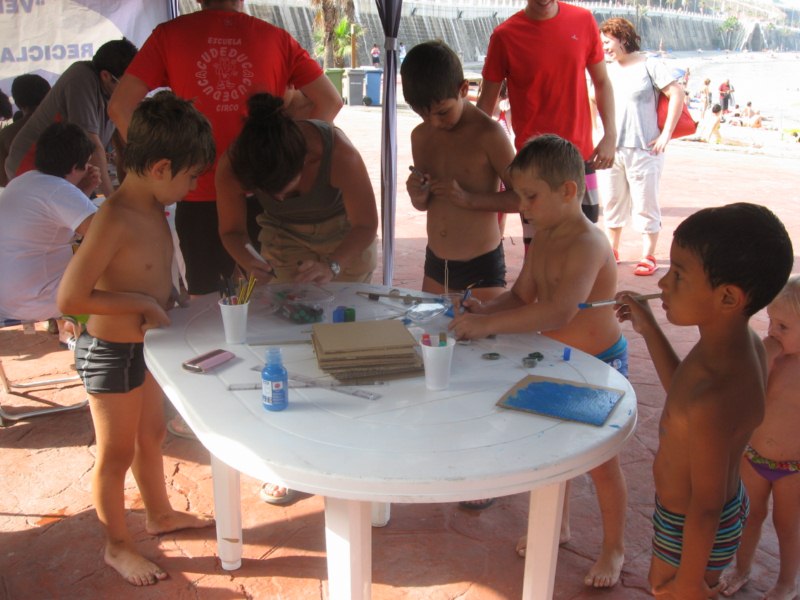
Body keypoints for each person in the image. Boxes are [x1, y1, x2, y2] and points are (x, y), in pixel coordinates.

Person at [449, 134, 629, 588]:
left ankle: (615, 548)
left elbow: (558, 311)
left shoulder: (587, 242)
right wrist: (484, 313)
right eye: (519, 196)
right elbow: (521, 295)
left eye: (530, 197)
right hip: (557, 358)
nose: (521, 207)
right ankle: (559, 526)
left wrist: (488, 328)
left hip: (597, 363)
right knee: (553, 448)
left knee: (601, 463)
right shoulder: (544, 234)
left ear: (569, 191)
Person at [56, 92, 217, 586]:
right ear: (162, 166)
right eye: (190, 177)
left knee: (152, 437)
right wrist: (144, 306)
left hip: (146, 350)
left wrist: (174, 296)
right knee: (116, 454)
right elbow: (70, 298)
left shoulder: (151, 207)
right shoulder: (115, 216)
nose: (192, 188)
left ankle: (160, 514)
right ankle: (116, 546)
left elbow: (149, 270)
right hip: (111, 354)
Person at [614, 203, 793, 599]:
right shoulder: (733, 345)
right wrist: (650, 330)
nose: (662, 284)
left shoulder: (716, 396)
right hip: (697, 515)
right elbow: (683, 387)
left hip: (693, 524)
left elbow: (707, 504)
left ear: (728, 297)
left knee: (666, 589)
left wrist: (691, 583)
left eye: (678, 275)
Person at [108, 0, 342, 297]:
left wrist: (164, 168)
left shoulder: (170, 34)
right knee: (274, 298)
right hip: (266, 187)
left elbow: (119, 107)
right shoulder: (275, 37)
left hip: (195, 185)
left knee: (206, 302)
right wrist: (284, 150)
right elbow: (330, 102)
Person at [216, 92, 378, 503]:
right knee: (289, 345)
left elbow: (366, 225)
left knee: (345, 340)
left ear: (304, 162)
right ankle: (293, 458)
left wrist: (334, 265)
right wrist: (250, 260)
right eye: (271, 196)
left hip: (345, 240)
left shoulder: (336, 152)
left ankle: (355, 440)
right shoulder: (234, 165)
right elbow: (232, 232)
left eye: (287, 192)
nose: (283, 201)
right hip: (283, 244)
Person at [477, 0, 617, 238]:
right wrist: (461, 149)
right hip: (532, 165)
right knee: (537, 250)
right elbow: (485, 105)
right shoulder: (505, 35)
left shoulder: (583, 20)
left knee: (585, 245)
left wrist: (610, 135)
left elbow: (602, 82)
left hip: (580, 159)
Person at [400, 41, 518, 302]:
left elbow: (525, 198)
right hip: (436, 263)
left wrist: (469, 200)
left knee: (484, 340)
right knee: (430, 337)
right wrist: (418, 195)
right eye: (423, 115)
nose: (435, 123)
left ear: (464, 89)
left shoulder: (489, 134)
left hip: (481, 264)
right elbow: (425, 204)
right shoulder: (420, 136)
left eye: (443, 112)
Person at [719, 276, 800, 600]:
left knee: (787, 526)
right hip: (753, 456)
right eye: (770, 321)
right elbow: (747, 394)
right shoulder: (768, 357)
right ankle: (742, 568)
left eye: (783, 326)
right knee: (749, 515)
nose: (771, 332)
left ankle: (786, 582)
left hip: (793, 467)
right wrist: (764, 359)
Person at [598, 18, 685, 277]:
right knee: (612, 200)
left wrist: (666, 134)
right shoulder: (606, 69)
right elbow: (593, 97)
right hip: (611, 149)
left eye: (607, 42)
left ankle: (648, 255)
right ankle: (612, 250)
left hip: (644, 148)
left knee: (645, 203)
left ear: (623, 38)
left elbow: (677, 93)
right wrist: (596, 134)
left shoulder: (651, 65)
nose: (604, 48)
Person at [0, 122, 99, 344]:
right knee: (112, 272)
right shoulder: (58, 189)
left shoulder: (22, 181)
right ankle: (80, 335)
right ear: (75, 167)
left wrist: (82, 191)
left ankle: (67, 326)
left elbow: (52, 222)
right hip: (34, 300)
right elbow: (104, 237)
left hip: (9, 297)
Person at [5, 39, 137, 197]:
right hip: (30, 163)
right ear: (106, 76)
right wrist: (113, 201)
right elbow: (93, 146)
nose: (132, 88)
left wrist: (127, 197)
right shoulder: (81, 78)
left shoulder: (114, 93)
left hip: (65, 170)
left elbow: (123, 148)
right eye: (127, 82)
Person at [0, 74, 51, 187]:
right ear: (49, 95)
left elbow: (3, 181)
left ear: (17, 102)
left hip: (22, 196)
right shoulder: (66, 126)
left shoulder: (6, 135)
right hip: (66, 194)